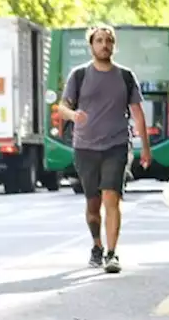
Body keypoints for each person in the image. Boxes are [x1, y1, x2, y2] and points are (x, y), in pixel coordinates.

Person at [58, 25, 150, 274]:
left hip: (116, 146)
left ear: (113, 45)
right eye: (99, 41)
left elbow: (138, 114)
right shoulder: (79, 75)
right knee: (92, 204)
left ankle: (111, 253)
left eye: (108, 41)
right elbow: (62, 107)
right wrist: (73, 114)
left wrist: (146, 149)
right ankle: (96, 245)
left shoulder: (125, 76)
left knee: (112, 198)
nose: (104, 45)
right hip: (85, 147)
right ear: (91, 46)